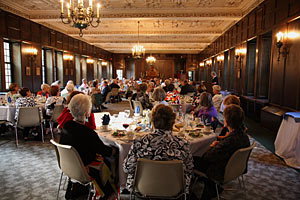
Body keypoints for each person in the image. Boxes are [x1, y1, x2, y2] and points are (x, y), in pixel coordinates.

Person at [123, 104, 193, 193]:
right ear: (173, 122)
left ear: (153, 121)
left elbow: (127, 168)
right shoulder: (183, 144)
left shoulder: (140, 142)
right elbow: (189, 169)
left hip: (143, 190)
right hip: (174, 191)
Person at [59, 94, 118, 199]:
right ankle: (110, 193)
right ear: (87, 113)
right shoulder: (88, 133)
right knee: (111, 160)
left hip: (69, 166)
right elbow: (104, 151)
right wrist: (116, 150)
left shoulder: (66, 126)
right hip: (84, 169)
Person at [193, 105, 250, 200]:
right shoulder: (243, 136)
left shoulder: (229, 141)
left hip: (220, 170)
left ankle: (207, 188)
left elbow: (207, 157)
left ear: (226, 122)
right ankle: (210, 185)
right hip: (236, 168)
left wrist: (212, 146)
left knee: (191, 158)